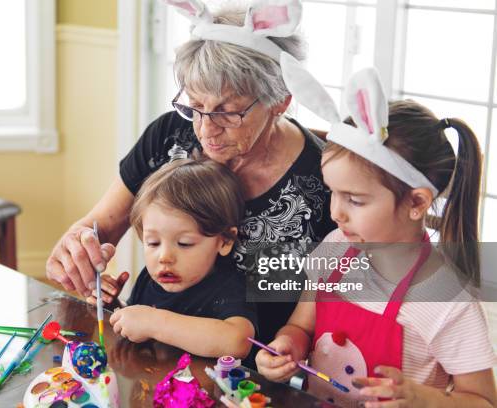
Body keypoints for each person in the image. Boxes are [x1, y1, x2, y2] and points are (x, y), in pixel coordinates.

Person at [46, 0, 336, 347]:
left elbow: (351, 293)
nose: (205, 131)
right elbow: (100, 226)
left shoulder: (327, 182)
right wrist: (77, 254)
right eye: (195, 107)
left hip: (257, 374)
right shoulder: (169, 136)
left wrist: (297, 337)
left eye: (228, 112)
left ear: (280, 101)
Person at [256, 67, 497, 407]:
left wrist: (418, 398)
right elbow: (301, 326)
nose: (336, 212)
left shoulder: (448, 302)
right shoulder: (336, 247)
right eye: (333, 193)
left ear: (416, 202)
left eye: (354, 199)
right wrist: (286, 347)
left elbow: (482, 401)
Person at [88, 158, 257, 358]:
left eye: (184, 243)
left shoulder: (229, 286)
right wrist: (114, 309)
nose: (164, 257)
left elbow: (238, 341)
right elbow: (142, 332)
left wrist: (154, 322)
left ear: (225, 241)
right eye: (153, 243)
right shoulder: (149, 279)